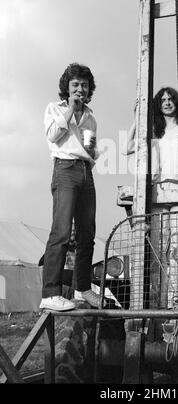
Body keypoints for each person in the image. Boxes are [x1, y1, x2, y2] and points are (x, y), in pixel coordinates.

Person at [40, 63, 100, 311]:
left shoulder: (91, 117)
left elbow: (91, 150)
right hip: (64, 169)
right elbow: (52, 135)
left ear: (89, 89)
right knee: (62, 231)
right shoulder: (54, 108)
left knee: (87, 234)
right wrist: (70, 111)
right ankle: (50, 293)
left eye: (84, 85)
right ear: (67, 87)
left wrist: (92, 151)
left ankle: (82, 289)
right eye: (75, 84)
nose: (80, 89)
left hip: (85, 171)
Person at [125, 87, 178, 308]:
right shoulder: (153, 131)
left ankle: (174, 300)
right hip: (158, 193)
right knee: (158, 250)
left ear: (177, 103)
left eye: (171, 99)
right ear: (157, 105)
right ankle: (156, 302)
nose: (167, 103)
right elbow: (128, 147)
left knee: (177, 250)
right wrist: (137, 119)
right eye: (163, 100)